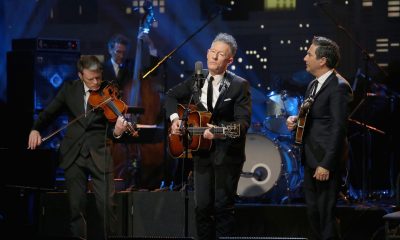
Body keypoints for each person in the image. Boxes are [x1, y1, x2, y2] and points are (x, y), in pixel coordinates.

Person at [27, 55, 130, 239]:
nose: (96, 82)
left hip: (100, 153)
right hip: (73, 154)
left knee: (108, 206)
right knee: (76, 208)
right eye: (91, 79)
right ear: (80, 75)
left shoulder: (110, 92)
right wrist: (35, 129)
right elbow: (49, 113)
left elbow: (113, 132)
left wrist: (118, 131)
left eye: (98, 77)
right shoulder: (69, 90)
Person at [165, 32, 252, 240]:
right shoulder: (198, 79)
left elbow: (242, 125)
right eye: (212, 51)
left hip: (227, 156)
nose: (214, 57)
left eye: (220, 54)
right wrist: (175, 119)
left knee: (222, 208)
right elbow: (171, 95)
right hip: (201, 154)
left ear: (229, 60)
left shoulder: (239, 85)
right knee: (202, 208)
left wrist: (219, 132)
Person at [286, 36, 353, 240]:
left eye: (309, 54)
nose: (305, 57)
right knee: (314, 215)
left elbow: (338, 129)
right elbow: (315, 119)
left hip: (325, 162)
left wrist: (326, 164)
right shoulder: (314, 85)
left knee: (326, 217)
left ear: (322, 60)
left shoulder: (339, 86)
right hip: (311, 158)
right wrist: (296, 121)